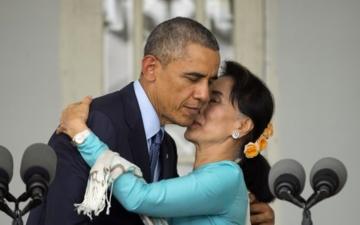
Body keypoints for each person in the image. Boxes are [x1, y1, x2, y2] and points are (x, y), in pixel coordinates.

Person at [26, 17, 275, 225]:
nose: (203, 95)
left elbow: (145, 201)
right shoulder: (97, 121)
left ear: (243, 125)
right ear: (151, 68)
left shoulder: (167, 147)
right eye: (193, 78)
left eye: (210, 84)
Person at [57, 60, 275, 225]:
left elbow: (138, 197)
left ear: (242, 126)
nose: (201, 103)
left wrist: (82, 135)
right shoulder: (188, 168)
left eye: (215, 99)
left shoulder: (227, 176)